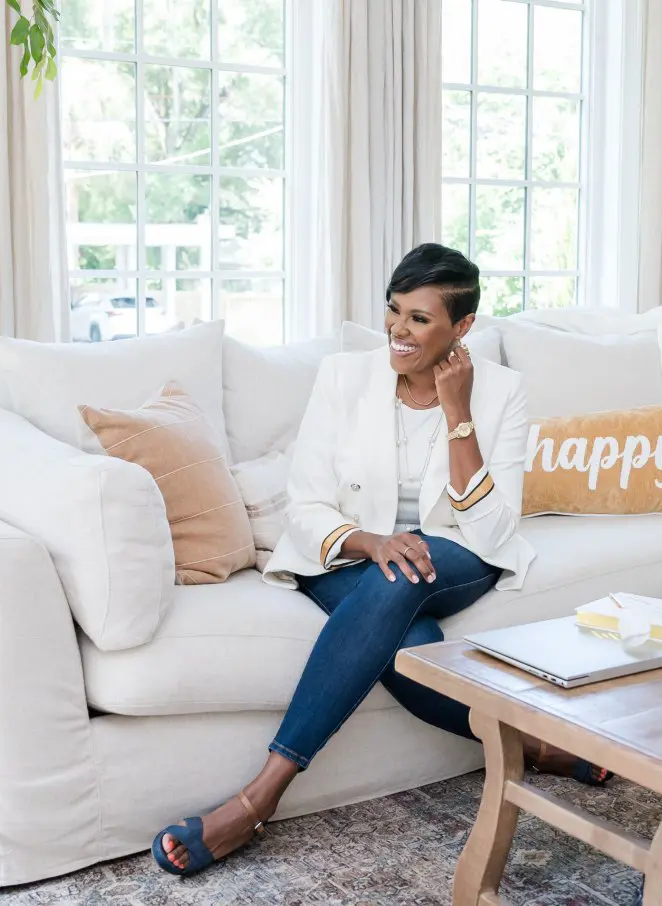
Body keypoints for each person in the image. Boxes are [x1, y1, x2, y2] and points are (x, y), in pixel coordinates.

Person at [152, 243, 609, 877]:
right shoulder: (344, 376)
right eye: (393, 311)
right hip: (346, 556)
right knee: (404, 636)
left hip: (458, 552)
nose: (397, 329)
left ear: (463, 327)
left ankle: (257, 799)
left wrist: (458, 412)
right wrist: (369, 542)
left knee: (399, 579)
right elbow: (306, 503)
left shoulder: (503, 392)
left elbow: (493, 523)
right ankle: (534, 747)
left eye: (419, 318)